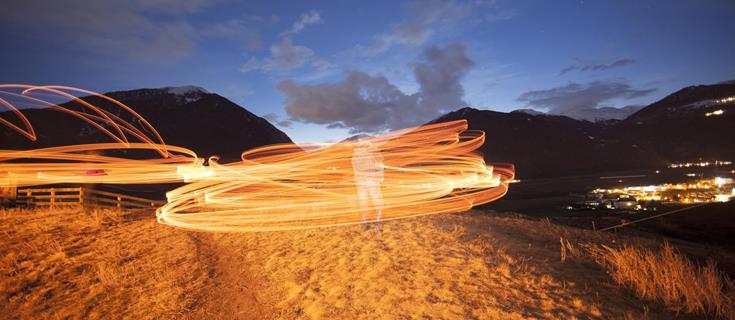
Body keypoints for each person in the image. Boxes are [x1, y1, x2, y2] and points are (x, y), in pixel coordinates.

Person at [352, 139, 385, 231]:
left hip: (360, 181)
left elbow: (355, 169)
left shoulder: (354, 155)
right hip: (372, 180)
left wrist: (356, 179)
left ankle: (365, 223)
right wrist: (381, 177)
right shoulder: (371, 153)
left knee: (363, 202)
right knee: (378, 201)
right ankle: (379, 223)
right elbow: (380, 162)